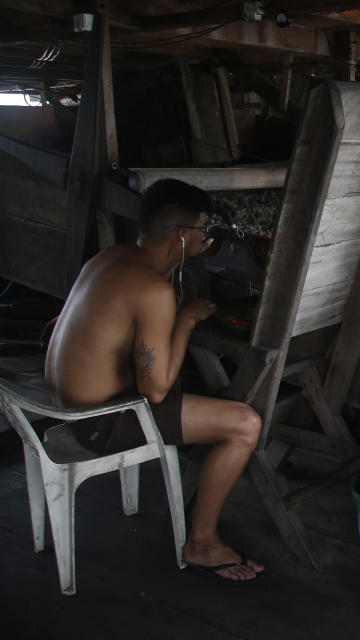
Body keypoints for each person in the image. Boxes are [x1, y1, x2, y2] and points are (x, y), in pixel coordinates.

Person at [44, 179, 264, 583]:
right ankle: (202, 543)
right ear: (181, 236)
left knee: (196, 399)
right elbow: (156, 390)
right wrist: (184, 321)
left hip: (57, 405)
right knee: (245, 424)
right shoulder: (153, 290)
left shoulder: (110, 257)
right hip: (98, 421)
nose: (207, 237)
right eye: (203, 230)